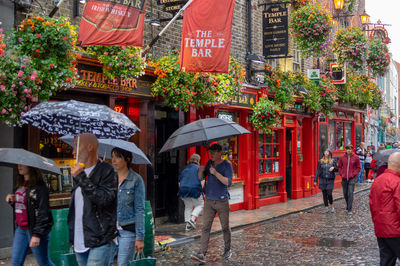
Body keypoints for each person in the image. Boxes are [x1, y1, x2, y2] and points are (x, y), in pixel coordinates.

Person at [68, 133, 118, 266]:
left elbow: (104, 199)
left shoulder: (108, 171)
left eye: (77, 146)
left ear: (90, 147)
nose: (73, 151)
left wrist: (81, 177)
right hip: (80, 238)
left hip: (100, 238)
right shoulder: (79, 172)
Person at [191, 144, 233, 263]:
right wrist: (200, 170)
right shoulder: (209, 163)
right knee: (205, 228)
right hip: (209, 200)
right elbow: (201, 177)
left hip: (222, 201)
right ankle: (202, 253)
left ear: (220, 152)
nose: (211, 154)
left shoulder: (227, 165)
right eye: (210, 152)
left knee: (225, 227)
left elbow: (228, 182)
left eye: (214, 152)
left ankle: (227, 250)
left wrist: (215, 173)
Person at [6, 165, 54, 266]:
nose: (19, 166)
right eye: (18, 164)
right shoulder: (20, 184)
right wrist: (12, 202)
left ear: (31, 167)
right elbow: (24, 208)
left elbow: (43, 212)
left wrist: (36, 235)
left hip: (34, 230)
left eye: (22, 164)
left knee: (44, 263)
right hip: (21, 229)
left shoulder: (40, 187)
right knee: (15, 263)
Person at [109, 147, 145, 266]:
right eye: (112, 156)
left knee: (122, 263)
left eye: (118, 157)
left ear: (127, 159)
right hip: (109, 230)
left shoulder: (136, 180)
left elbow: (140, 209)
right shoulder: (109, 179)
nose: (113, 160)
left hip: (127, 230)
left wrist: (140, 238)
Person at [369, 152, 400, 266]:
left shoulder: (378, 180)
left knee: (386, 261)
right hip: (395, 231)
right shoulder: (397, 182)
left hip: (381, 229)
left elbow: (372, 204)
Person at [177, 153, 204, 231]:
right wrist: (200, 190)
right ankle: (192, 219)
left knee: (188, 206)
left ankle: (188, 225)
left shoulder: (184, 169)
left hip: (183, 190)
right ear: (198, 160)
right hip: (195, 189)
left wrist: (183, 189)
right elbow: (202, 182)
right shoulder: (200, 169)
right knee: (200, 204)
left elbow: (179, 182)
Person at [337, 144, 361, 215]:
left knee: (350, 193)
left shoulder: (356, 157)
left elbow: (358, 167)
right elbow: (339, 167)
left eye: (350, 149)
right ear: (346, 150)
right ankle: (348, 205)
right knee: (345, 193)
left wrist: (353, 174)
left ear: (352, 150)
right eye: (347, 149)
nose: (349, 150)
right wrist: (342, 173)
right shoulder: (342, 158)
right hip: (344, 178)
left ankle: (349, 209)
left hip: (352, 178)